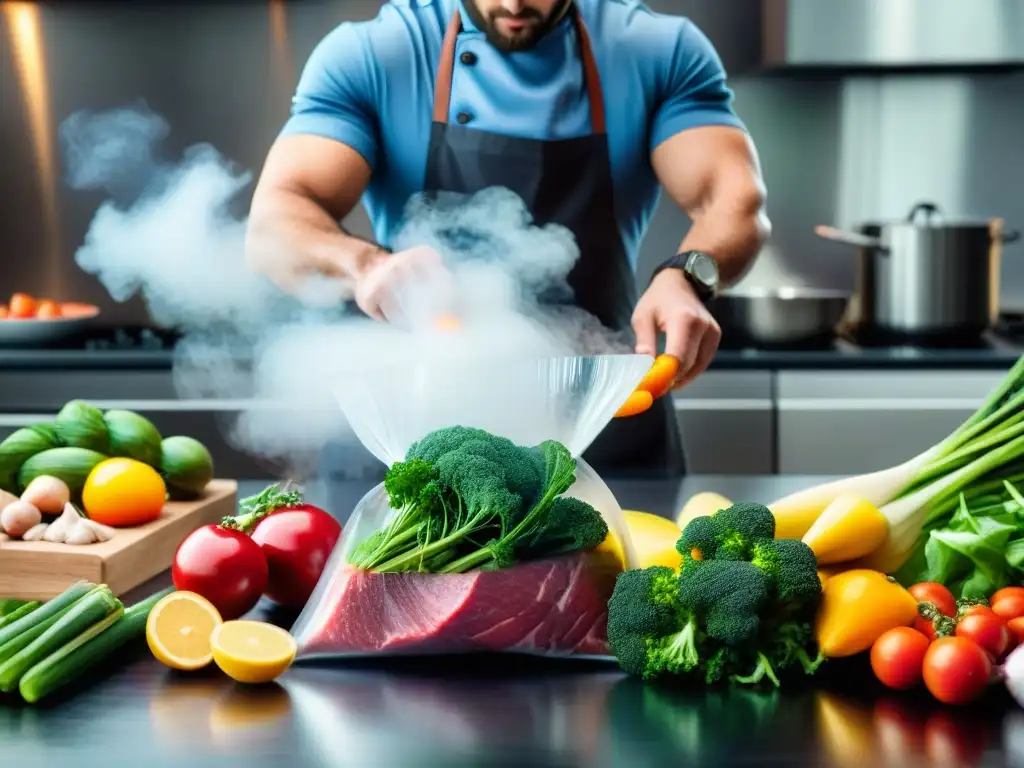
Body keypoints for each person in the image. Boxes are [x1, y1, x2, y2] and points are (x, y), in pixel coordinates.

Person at [246, 0, 770, 478]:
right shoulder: (374, 54)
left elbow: (733, 202)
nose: (515, 4)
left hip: (602, 424)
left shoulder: (657, 51)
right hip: (414, 433)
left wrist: (687, 275)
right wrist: (364, 265)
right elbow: (277, 221)